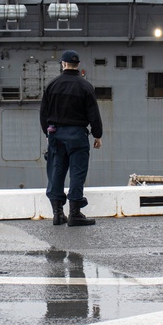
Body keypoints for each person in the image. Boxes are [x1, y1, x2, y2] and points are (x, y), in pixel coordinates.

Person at [40, 49, 103, 227]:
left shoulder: (52, 85)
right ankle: (75, 214)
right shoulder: (85, 86)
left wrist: (47, 133)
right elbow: (93, 114)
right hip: (77, 135)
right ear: (78, 65)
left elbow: (43, 114)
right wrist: (97, 135)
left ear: (63, 64)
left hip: (56, 135)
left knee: (56, 171)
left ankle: (58, 214)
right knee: (77, 173)